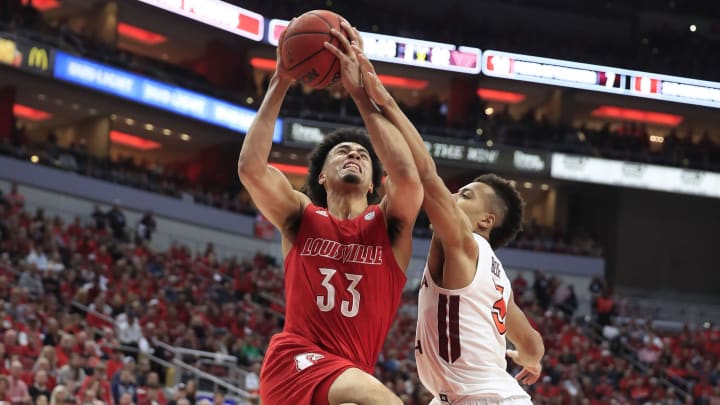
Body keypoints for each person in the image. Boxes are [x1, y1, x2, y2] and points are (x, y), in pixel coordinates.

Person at [237, 20, 422, 405]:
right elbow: (251, 169)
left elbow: (408, 175)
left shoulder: (387, 225)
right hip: (295, 362)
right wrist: (280, 81)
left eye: (362, 155)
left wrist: (360, 95)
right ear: (321, 176)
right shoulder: (302, 216)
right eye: (342, 152)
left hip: (348, 374)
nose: (354, 153)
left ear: (373, 184)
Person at [351, 42, 544, 403]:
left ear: (488, 220)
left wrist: (377, 99)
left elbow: (424, 172)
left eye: (466, 195)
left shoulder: (463, 244)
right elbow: (533, 343)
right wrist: (531, 360)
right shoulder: (499, 279)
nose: (454, 198)